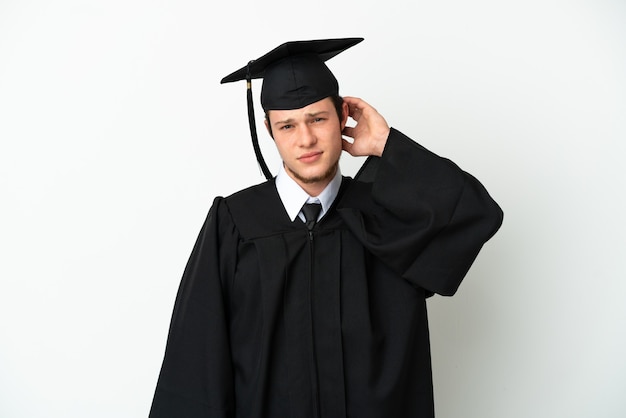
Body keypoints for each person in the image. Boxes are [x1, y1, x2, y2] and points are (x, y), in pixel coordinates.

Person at [149, 38, 503, 418]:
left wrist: (387, 145)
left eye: (318, 118)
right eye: (288, 125)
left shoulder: (386, 214)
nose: (306, 139)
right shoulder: (234, 223)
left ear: (343, 115)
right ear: (270, 130)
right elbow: (194, 365)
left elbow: (475, 213)